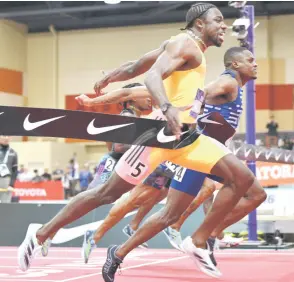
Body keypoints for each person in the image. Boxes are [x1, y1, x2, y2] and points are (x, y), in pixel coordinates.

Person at [17, 3, 255, 279]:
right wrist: (166, 108)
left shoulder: (186, 47)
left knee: (242, 179)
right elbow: (152, 75)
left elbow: (137, 65)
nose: (224, 26)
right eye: (218, 20)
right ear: (200, 24)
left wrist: (110, 76)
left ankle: (198, 241)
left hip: (187, 138)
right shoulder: (185, 44)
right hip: (159, 135)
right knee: (106, 194)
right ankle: (40, 232)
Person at [163, 47, 265, 254]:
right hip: (203, 150)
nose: (255, 64)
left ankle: (207, 236)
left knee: (215, 192)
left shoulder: (235, 86)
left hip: (211, 150)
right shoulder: (228, 81)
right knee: (254, 194)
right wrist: (190, 120)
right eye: (250, 60)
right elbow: (202, 93)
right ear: (235, 64)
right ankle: (204, 235)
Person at [0, 136, 18, 203]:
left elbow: (15, 171)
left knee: (6, 204)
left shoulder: (13, 153)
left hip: (6, 181)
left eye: (8, 136)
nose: (6, 138)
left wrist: (11, 184)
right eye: (4, 136)